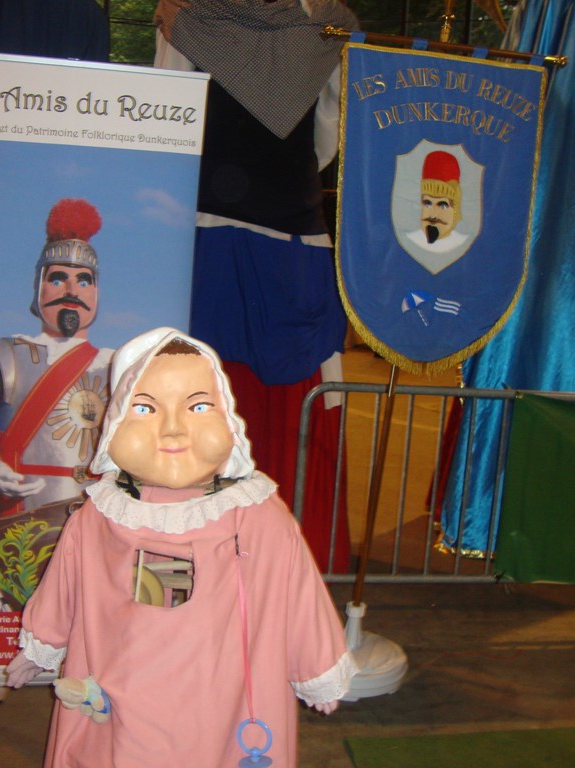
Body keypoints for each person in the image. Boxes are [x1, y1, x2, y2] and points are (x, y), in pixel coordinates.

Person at [4, 327, 355, 767]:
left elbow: (298, 594)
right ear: (116, 422)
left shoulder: (254, 516)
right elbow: (64, 586)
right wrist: (40, 644)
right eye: (145, 408)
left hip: (221, 701)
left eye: (198, 406)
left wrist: (317, 667)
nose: (172, 429)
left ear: (226, 418)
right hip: (118, 692)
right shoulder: (102, 515)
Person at [152, 0, 358, 573]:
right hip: (293, 234)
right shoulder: (329, 22)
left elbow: (167, 119)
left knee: (195, 393)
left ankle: (195, 556)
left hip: (203, 229)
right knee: (293, 396)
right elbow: (328, 137)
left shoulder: (186, 15)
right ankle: (288, 560)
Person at [0, 198, 113, 516]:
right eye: (57, 278)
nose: (72, 290)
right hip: (18, 523)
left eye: (84, 280)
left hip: (96, 522)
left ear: (96, 292)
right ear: (38, 287)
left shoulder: (120, 366)